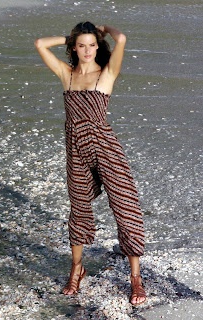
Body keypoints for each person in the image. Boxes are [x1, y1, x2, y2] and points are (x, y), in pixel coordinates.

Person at [34, 21, 146, 306]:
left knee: (125, 205)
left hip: (106, 148)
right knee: (79, 206)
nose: (87, 50)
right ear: (74, 47)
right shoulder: (66, 74)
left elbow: (122, 37)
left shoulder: (106, 73)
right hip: (76, 150)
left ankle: (136, 277)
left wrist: (105, 28)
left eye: (91, 45)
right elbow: (39, 44)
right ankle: (76, 268)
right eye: (81, 45)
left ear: (98, 46)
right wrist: (70, 37)